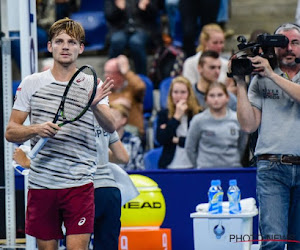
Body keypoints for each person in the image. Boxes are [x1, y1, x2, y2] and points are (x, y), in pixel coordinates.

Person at [5, 18, 115, 250]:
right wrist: (36, 128)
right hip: (42, 185)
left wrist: (94, 105)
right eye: (59, 41)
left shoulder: (92, 84)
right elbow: (11, 131)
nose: (65, 46)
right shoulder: (32, 83)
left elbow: (110, 126)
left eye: (72, 42)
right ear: (50, 46)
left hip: (80, 183)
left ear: (81, 48)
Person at [230, 23, 300, 249]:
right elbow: (248, 125)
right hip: (271, 167)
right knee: (274, 243)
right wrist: (240, 83)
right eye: (283, 43)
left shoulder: (267, 75)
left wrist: (271, 74)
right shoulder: (260, 80)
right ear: (273, 48)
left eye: (295, 42)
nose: (289, 48)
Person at [185, 82, 247, 168]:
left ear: (227, 98)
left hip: (232, 168)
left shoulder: (238, 119)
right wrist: (200, 166)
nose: (216, 99)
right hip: (205, 170)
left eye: (220, 95)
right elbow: (190, 148)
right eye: (212, 95)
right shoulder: (198, 120)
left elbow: (242, 146)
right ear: (206, 99)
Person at [156, 76, 202, 169]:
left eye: (183, 92)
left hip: (193, 165)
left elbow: (198, 142)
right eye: (175, 92)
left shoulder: (198, 115)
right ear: (171, 94)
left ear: (189, 94)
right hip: (169, 165)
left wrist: (176, 140)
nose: (179, 96)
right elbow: (161, 139)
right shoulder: (164, 114)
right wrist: (176, 117)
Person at [104, 0, 159, 75]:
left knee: (136, 42)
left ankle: (142, 77)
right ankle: (112, 75)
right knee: (117, 41)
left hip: (142, 29)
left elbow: (155, 14)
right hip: (120, 29)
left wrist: (146, 7)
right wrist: (118, 9)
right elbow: (108, 16)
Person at [182, 23, 235, 94]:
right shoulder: (190, 63)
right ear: (204, 42)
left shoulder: (226, 64)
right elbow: (189, 91)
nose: (219, 46)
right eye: (215, 43)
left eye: (221, 42)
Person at [104, 54, 146, 137]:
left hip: (132, 133)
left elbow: (140, 87)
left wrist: (126, 71)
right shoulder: (105, 92)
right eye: (105, 72)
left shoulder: (132, 88)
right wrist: (115, 104)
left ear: (120, 74)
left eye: (109, 72)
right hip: (111, 133)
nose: (106, 76)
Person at [110, 103, 145, 170]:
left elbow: (140, 168)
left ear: (124, 120)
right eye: (108, 117)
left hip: (129, 177)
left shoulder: (134, 141)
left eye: (114, 116)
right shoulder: (101, 139)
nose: (110, 120)